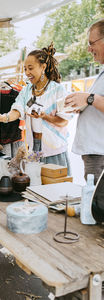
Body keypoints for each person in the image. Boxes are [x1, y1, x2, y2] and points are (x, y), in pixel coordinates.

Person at [0, 43, 71, 174]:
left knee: (55, 188)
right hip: (33, 150)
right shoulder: (26, 90)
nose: (27, 73)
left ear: (43, 67)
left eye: (30, 68)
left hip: (54, 151)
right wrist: (3, 117)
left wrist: (44, 116)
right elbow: (17, 110)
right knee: (35, 187)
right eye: (25, 69)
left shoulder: (58, 90)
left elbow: (64, 121)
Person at [65, 19, 104, 183]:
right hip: (95, 153)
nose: (89, 49)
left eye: (91, 43)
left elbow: (95, 100)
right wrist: (83, 105)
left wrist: (88, 98)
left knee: (97, 205)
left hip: (100, 154)